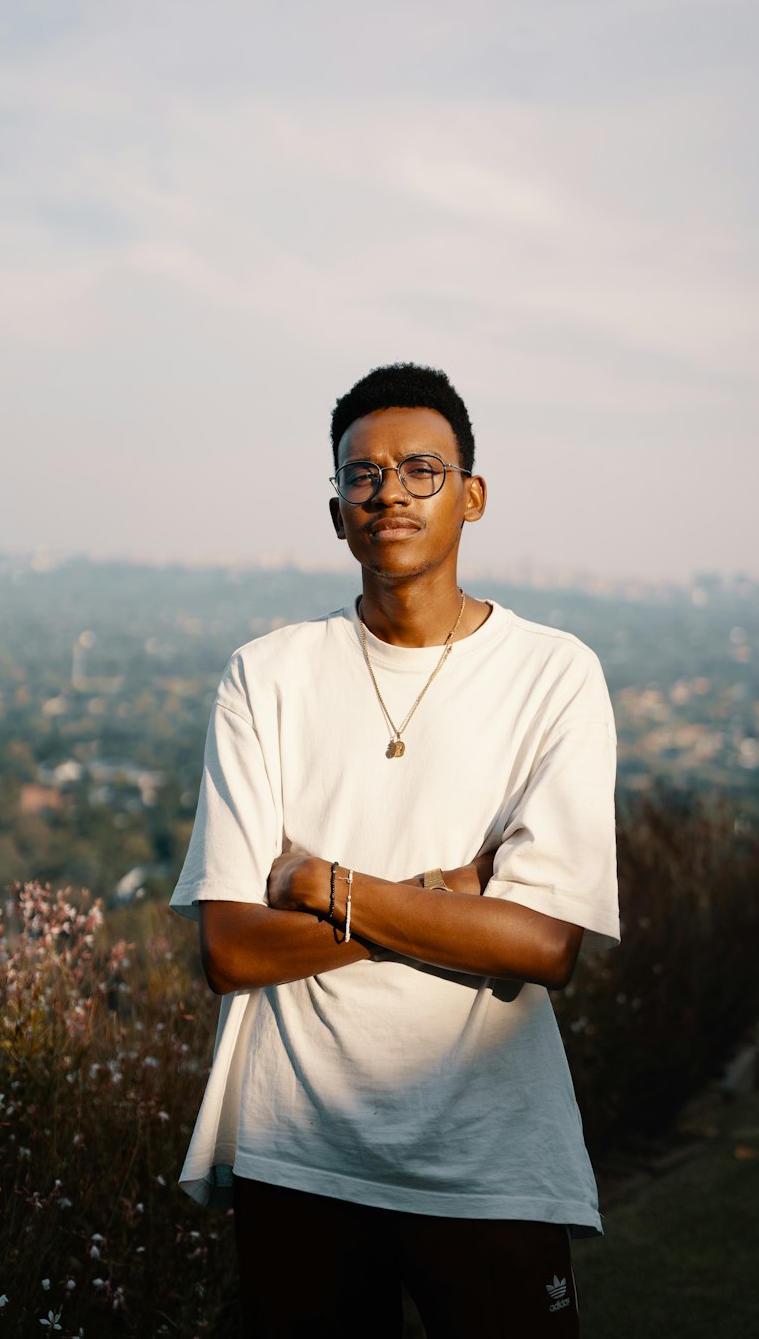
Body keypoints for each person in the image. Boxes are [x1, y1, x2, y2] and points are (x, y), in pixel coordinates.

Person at [170, 362, 619, 1337]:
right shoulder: (269, 675)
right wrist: (451, 901)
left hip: (490, 1150)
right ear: (336, 512)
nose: (389, 492)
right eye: (362, 475)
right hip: (296, 1149)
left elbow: (547, 947)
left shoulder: (553, 675)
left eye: (421, 468)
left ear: (472, 495)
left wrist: (324, 886)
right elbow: (233, 951)